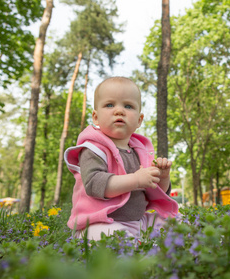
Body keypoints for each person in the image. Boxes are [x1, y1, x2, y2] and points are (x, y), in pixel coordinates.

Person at [64, 76, 179, 240]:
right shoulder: (93, 148)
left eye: (128, 106)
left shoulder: (141, 151)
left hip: (138, 221)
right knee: (111, 238)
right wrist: (136, 180)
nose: (119, 111)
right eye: (109, 105)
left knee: (176, 225)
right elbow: (94, 184)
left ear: (139, 120)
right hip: (99, 223)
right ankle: (136, 250)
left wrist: (163, 177)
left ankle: (201, 244)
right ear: (95, 117)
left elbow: (155, 190)